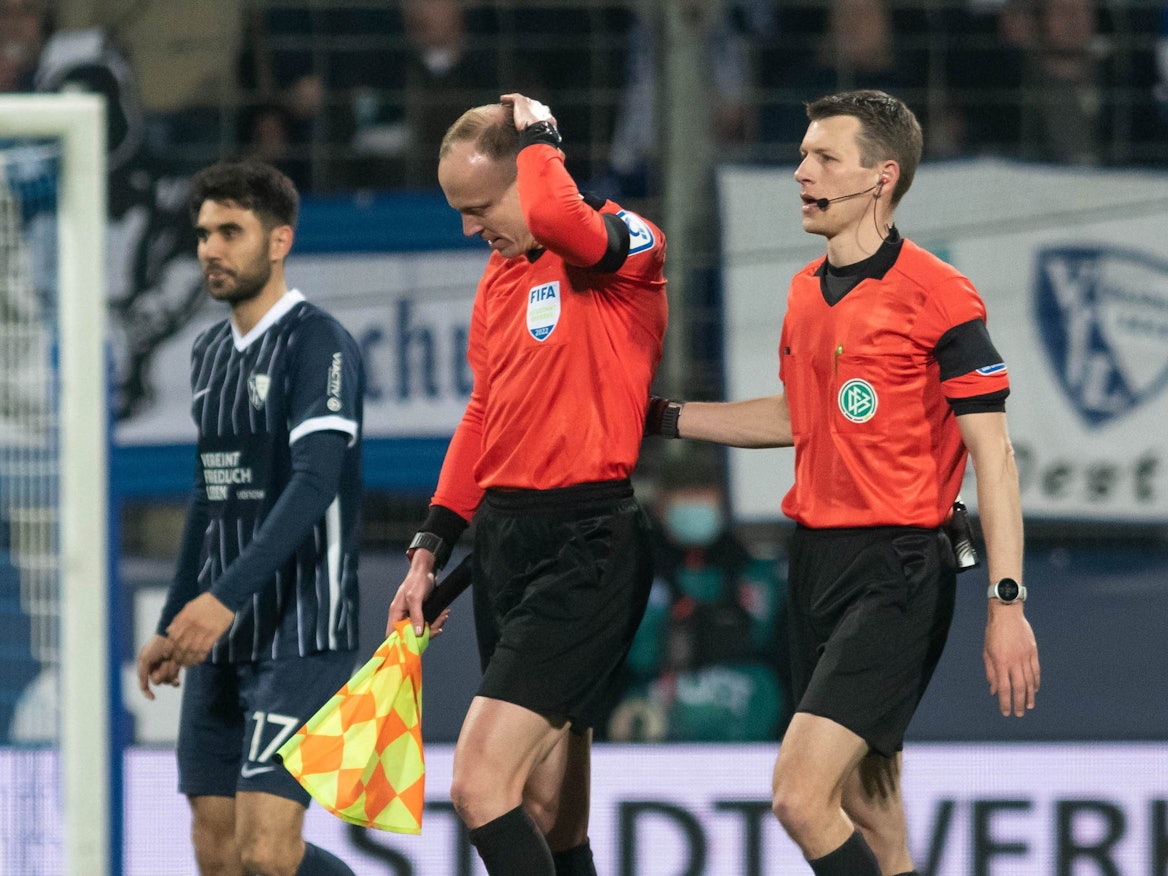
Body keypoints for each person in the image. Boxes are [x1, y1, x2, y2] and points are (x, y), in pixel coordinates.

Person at [646, 90, 1040, 875]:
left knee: (799, 795)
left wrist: (1007, 601)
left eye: (824, 157)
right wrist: (661, 417)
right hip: (815, 563)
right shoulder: (804, 292)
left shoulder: (940, 295)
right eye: (801, 155)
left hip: (897, 570)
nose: (802, 171)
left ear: (881, 177)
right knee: (868, 800)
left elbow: (993, 456)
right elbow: (800, 417)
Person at [387, 92, 667, 875]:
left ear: (532, 174)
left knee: (480, 786)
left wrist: (542, 132)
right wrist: (428, 549)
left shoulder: (626, 247)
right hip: (504, 543)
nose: (470, 228)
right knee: (550, 817)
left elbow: (563, 216)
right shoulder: (499, 280)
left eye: (479, 206)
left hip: (587, 547)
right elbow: (485, 412)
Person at [135, 159, 364, 876]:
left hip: (301, 629)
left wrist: (221, 601)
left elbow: (316, 482)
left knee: (267, 853)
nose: (210, 248)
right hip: (218, 637)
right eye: (203, 233)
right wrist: (177, 619)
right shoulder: (207, 354)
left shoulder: (318, 343)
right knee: (219, 852)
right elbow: (212, 494)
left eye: (230, 230)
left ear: (277, 241)